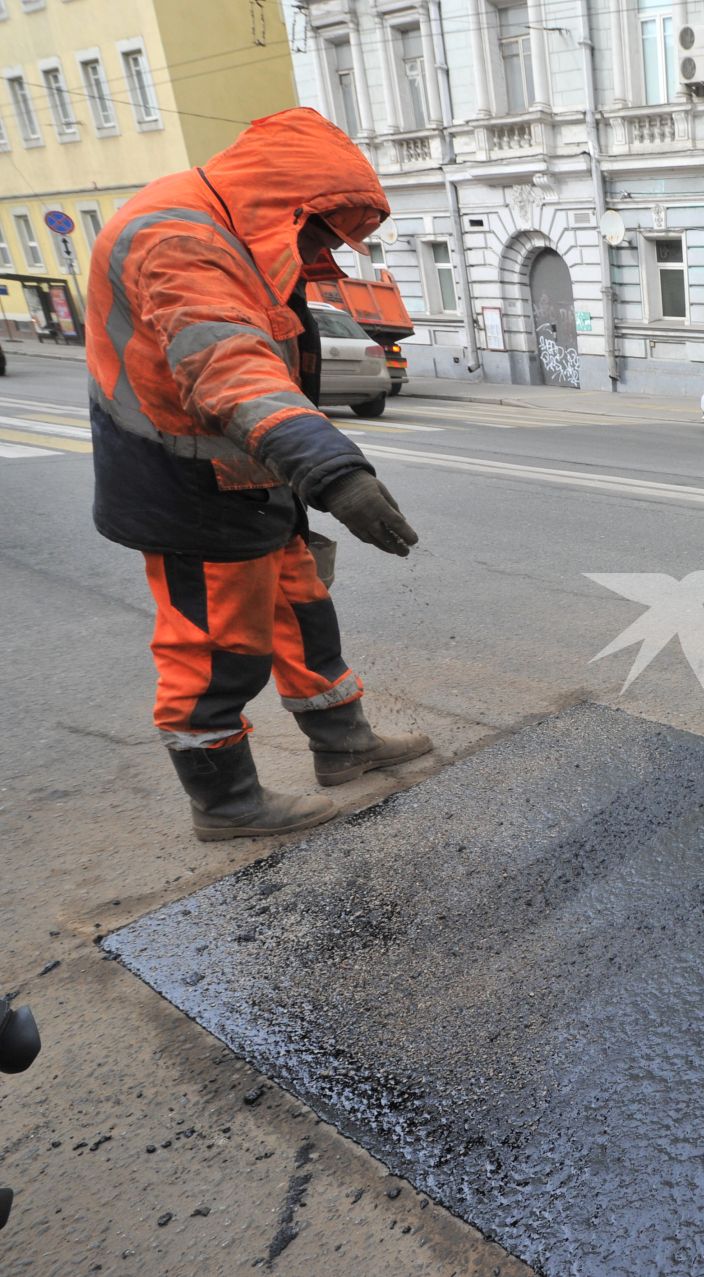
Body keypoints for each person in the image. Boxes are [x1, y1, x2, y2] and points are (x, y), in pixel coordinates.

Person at [86, 107, 430, 842]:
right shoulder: (178, 236)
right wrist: (335, 472)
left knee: (304, 615)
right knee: (216, 647)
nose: (321, 249)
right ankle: (225, 802)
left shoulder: (237, 234)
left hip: (250, 471)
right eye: (320, 230)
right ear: (288, 204)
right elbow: (229, 364)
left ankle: (344, 747)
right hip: (188, 486)